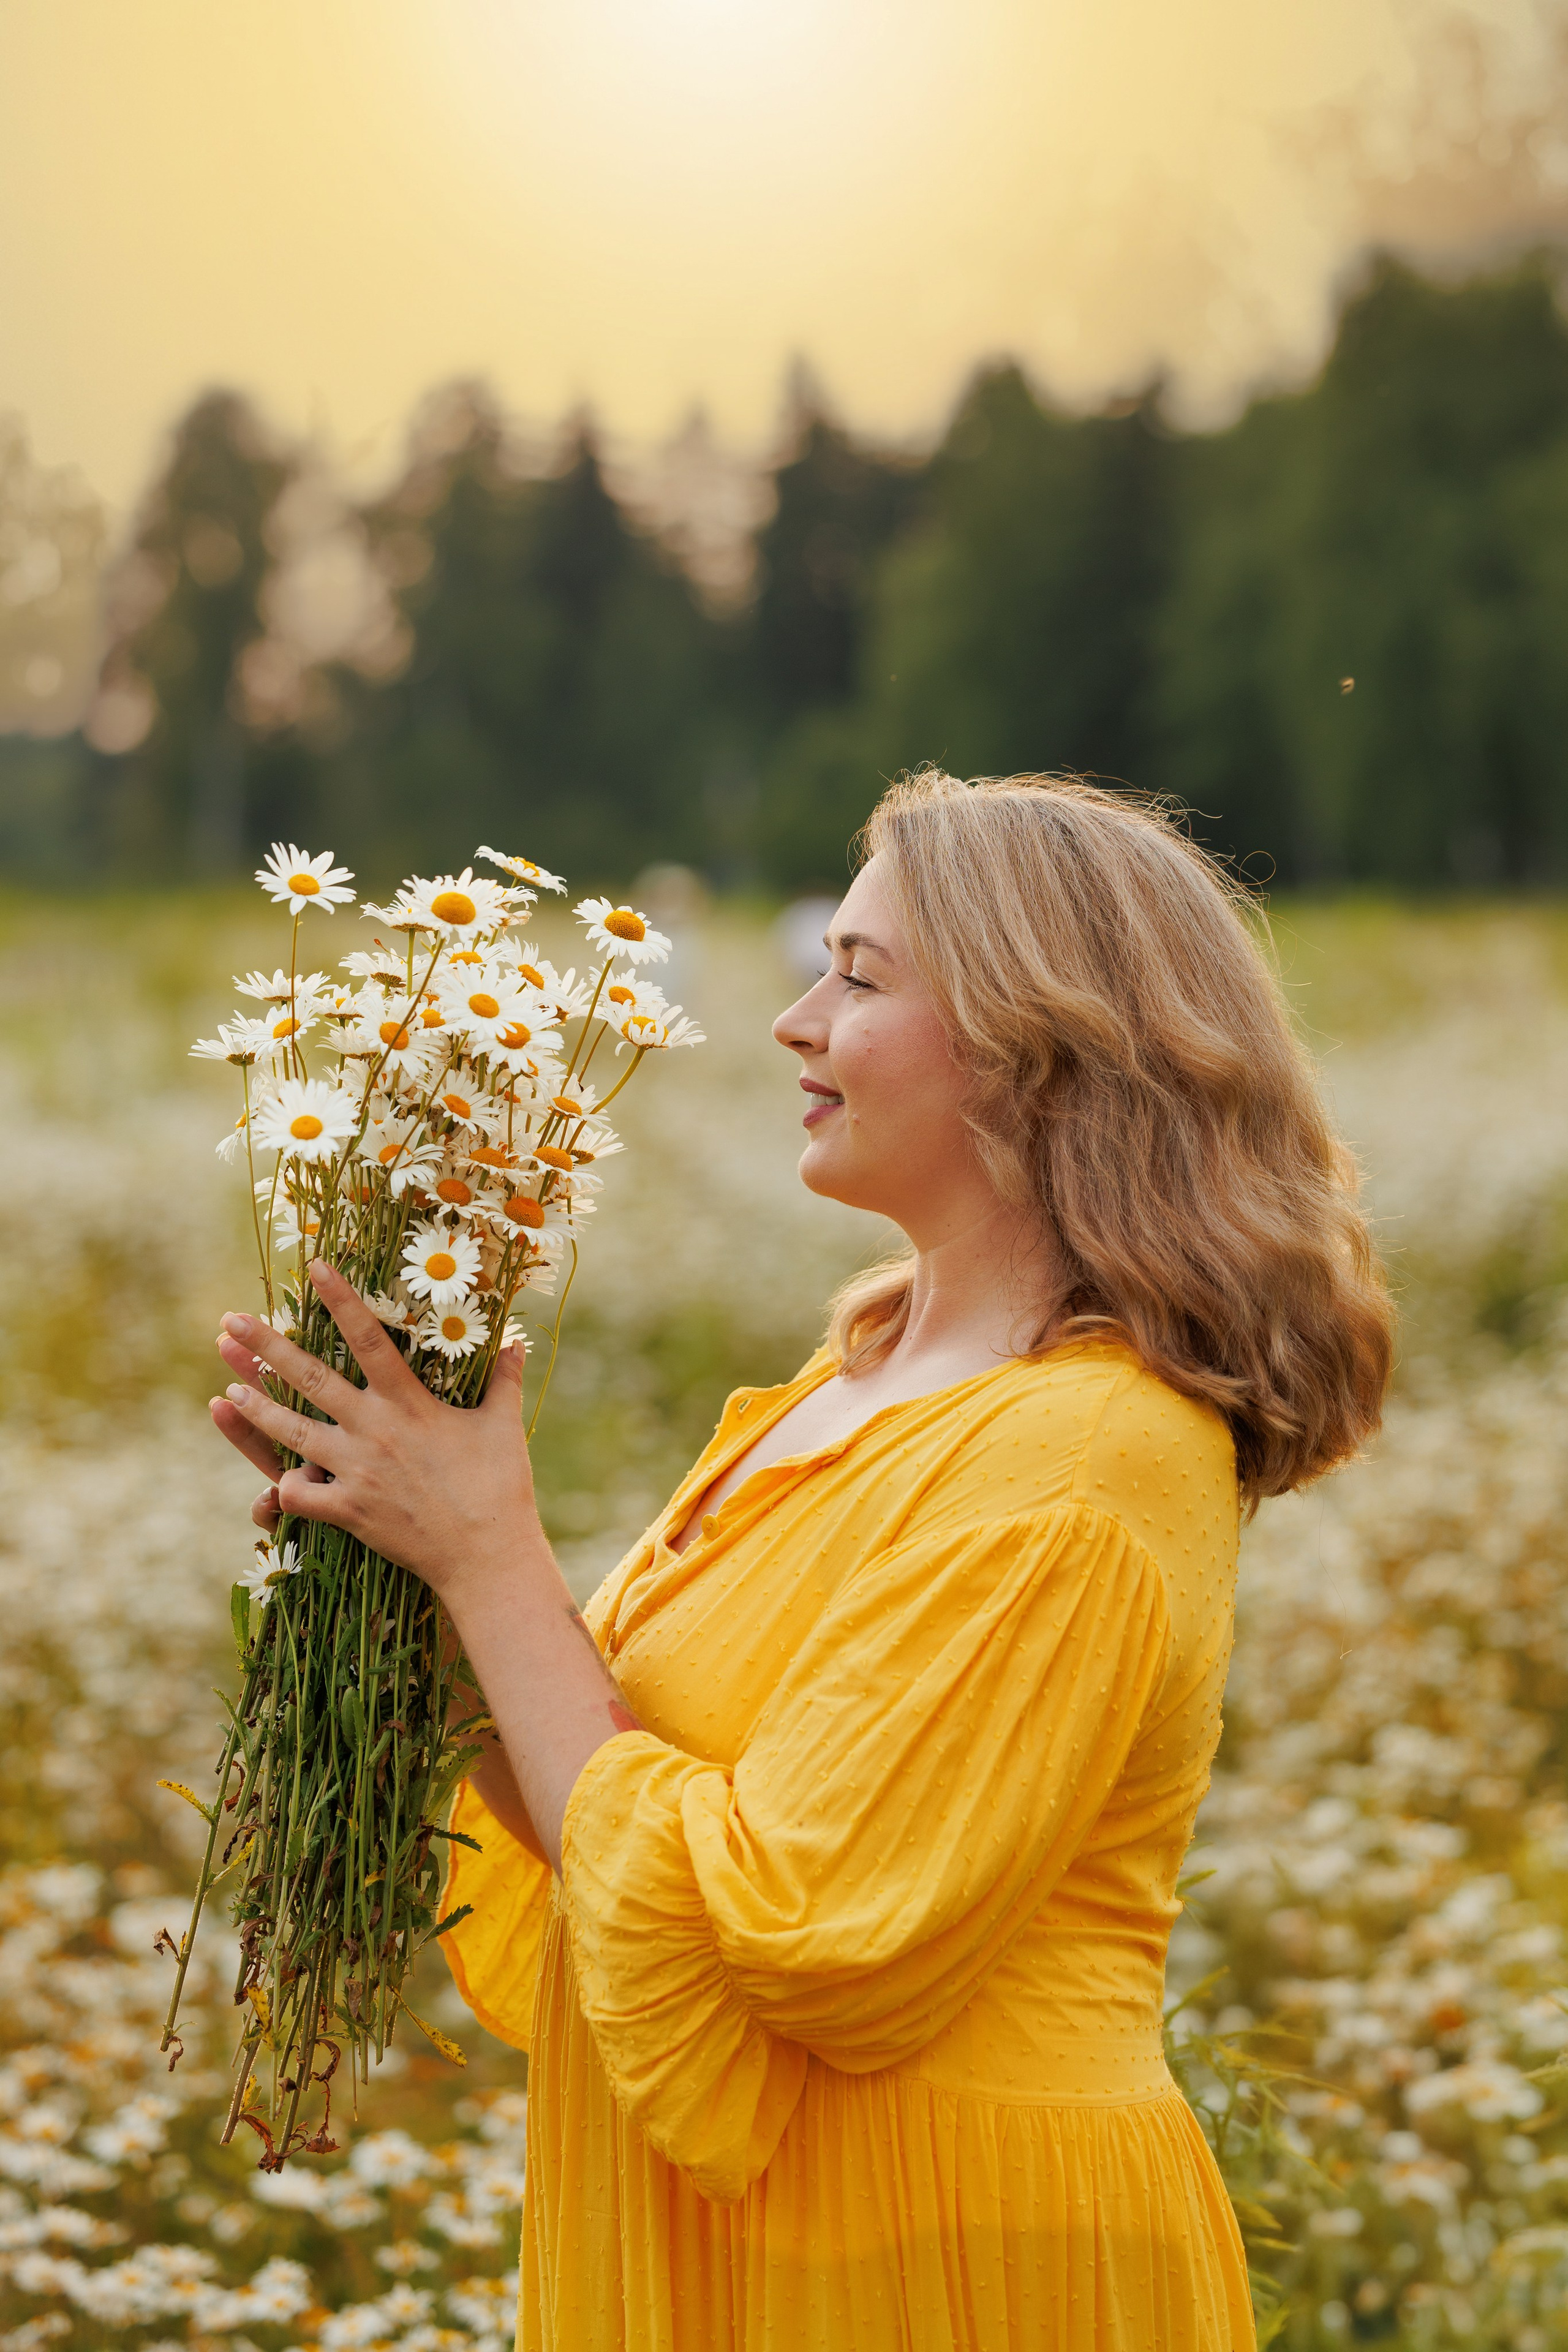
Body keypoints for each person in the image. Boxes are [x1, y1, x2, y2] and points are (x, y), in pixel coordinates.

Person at [211, 772, 1393, 2352]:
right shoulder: (858, 1384)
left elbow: (797, 1928)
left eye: (859, 974)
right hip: (762, 2238)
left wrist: (494, 1556)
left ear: (1042, 1049)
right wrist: (405, 1554)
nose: (790, 1018)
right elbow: (614, 1791)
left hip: (949, 2266)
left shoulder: (1090, 1457)